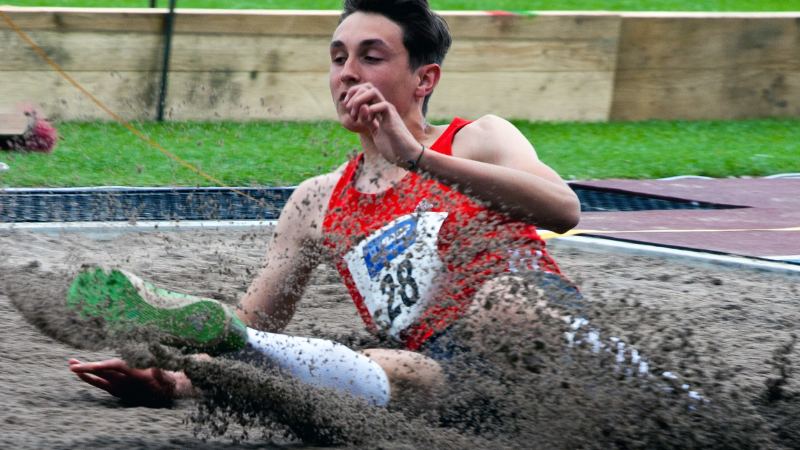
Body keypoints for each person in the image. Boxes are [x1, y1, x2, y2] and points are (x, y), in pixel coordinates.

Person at [68, 0, 581, 408]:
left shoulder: (479, 139)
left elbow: (563, 208)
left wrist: (418, 158)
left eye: (370, 57)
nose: (348, 74)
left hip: (540, 335)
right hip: (450, 380)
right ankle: (203, 333)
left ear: (424, 79)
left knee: (506, 306)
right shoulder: (315, 202)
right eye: (339, 59)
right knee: (390, 369)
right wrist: (177, 381)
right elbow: (258, 319)